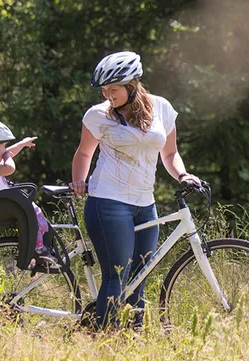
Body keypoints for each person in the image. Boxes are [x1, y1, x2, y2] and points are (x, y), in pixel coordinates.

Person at [69, 51, 202, 329]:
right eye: (104, 90)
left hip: (145, 204)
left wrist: (183, 175)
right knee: (116, 276)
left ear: (132, 85)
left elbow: (170, 154)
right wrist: (80, 181)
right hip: (107, 201)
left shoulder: (162, 108)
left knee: (141, 275)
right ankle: (101, 341)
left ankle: (132, 340)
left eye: (113, 89)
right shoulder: (98, 115)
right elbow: (84, 154)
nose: (108, 95)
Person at [0, 118, 58, 266]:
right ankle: (38, 249)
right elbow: (10, 168)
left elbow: (6, 154)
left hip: (4, 201)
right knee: (36, 214)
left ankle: (39, 249)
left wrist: (21, 144)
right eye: (4, 146)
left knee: (36, 214)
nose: (6, 150)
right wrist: (7, 156)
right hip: (5, 203)